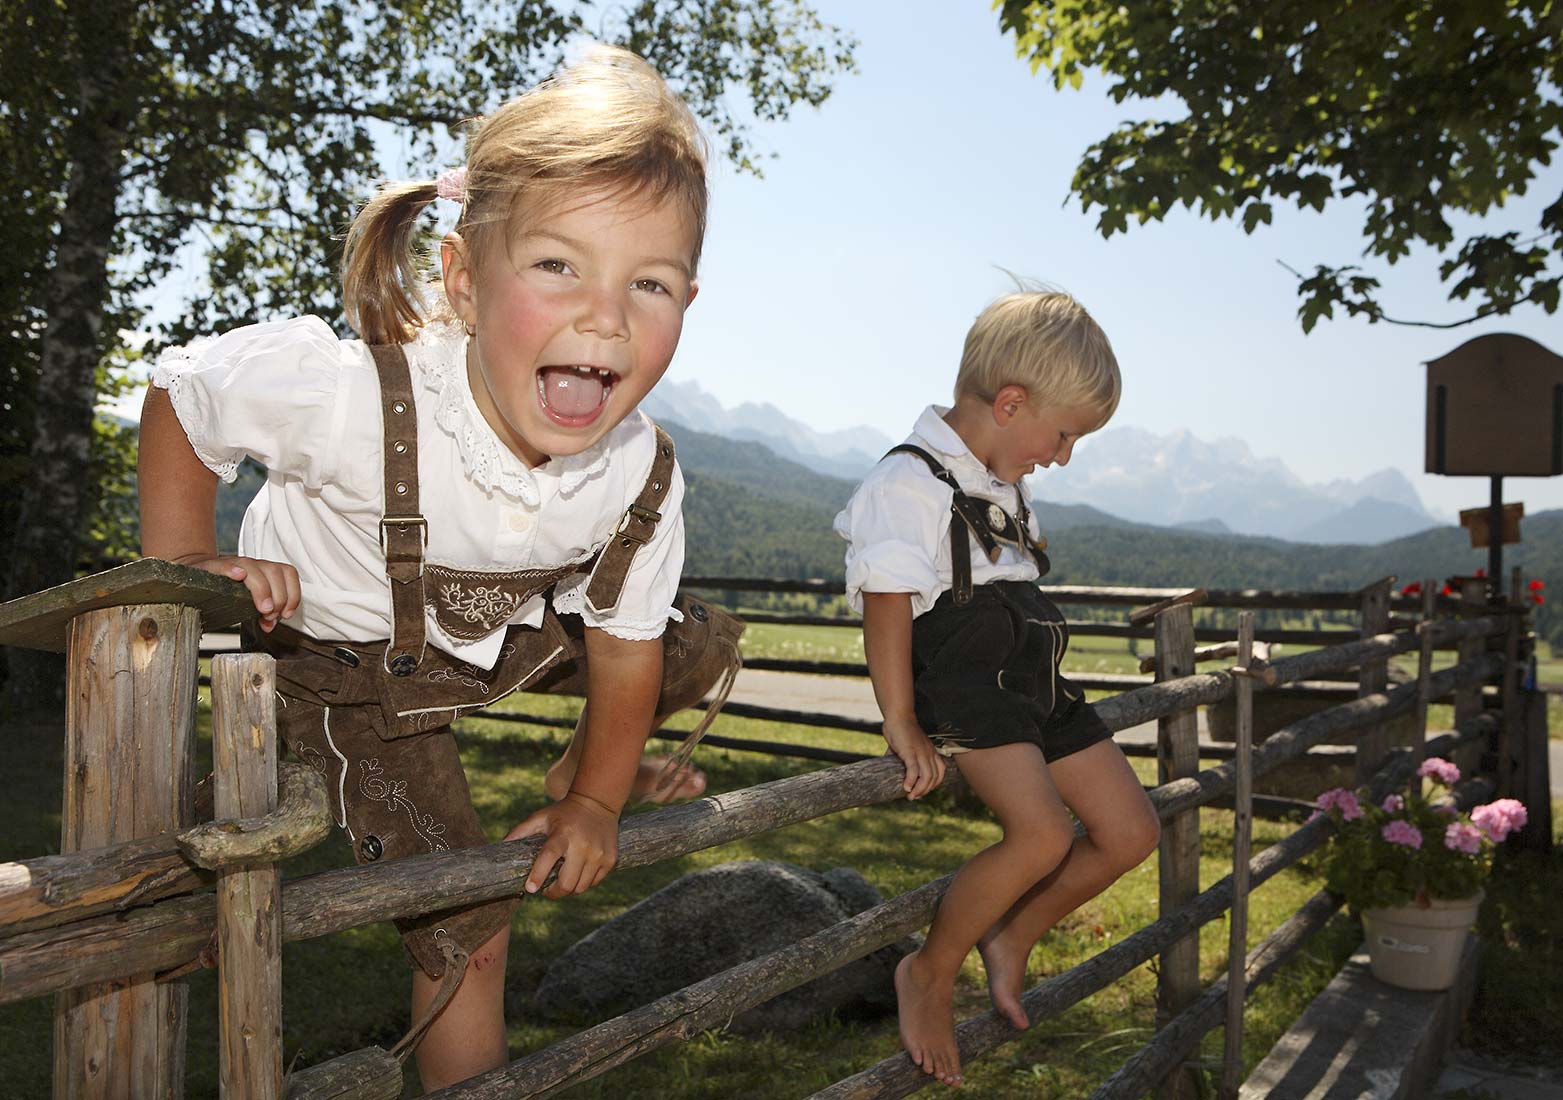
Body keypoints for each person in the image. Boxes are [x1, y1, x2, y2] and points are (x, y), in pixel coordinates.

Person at [139, 45, 710, 1089]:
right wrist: (182, 556)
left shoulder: (640, 469)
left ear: (691, 299)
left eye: (652, 282)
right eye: (557, 265)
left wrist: (597, 804)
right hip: (331, 663)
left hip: (459, 650)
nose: (607, 313)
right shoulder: (363, 396)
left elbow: (628, 655)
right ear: (461, 277)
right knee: (470, 923)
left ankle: (567, 774)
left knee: (693, 635)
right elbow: (190, 391)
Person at [834, 290, 1161, 1086]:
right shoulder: (907, 483)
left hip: (1034, 677)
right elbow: (886, 603)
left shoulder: (996, 480)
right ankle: (931, 969)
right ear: (1011, 403)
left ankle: (1011, 935)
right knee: (1042, 835)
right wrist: (901, 719)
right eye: (1063, 435)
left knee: (1130, 833)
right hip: (966, 683)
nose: (1062, 455)